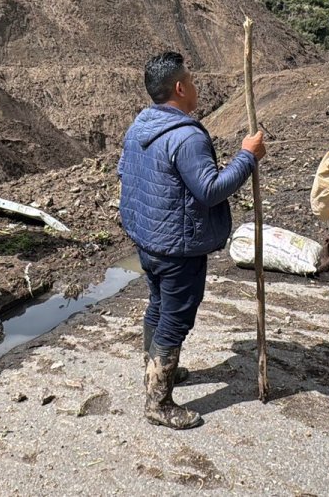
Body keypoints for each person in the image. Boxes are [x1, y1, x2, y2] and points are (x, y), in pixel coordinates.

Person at [118, 51, 266, 430]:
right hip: (177, 245)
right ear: (180, 88)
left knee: (158, 304)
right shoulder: (185, 137)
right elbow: (211, 190)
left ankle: (154, 371)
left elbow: (127, 175)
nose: (197, 87)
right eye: (193, 80)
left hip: (148, 239)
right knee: (176, 317)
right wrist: (247, 158)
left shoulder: (141, 126)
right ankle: (158, 402)